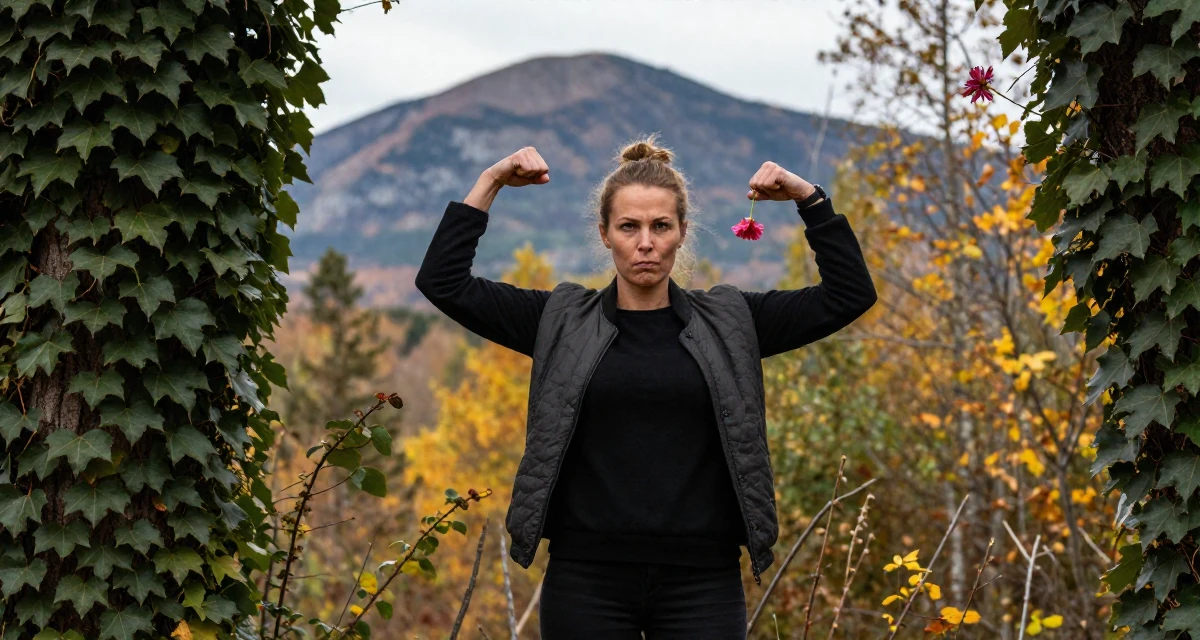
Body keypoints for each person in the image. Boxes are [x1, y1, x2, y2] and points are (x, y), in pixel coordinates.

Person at [415, 134, 877, 639]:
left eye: (660, 226)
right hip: (586, 579)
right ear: (605, 233)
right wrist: (491, 181)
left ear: (681, 231)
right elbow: (444, 282)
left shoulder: (731, 322)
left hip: (703, 582)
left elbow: (849, 294)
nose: (645, 243)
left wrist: (808, 198)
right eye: (629, 227)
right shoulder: (559, 322)